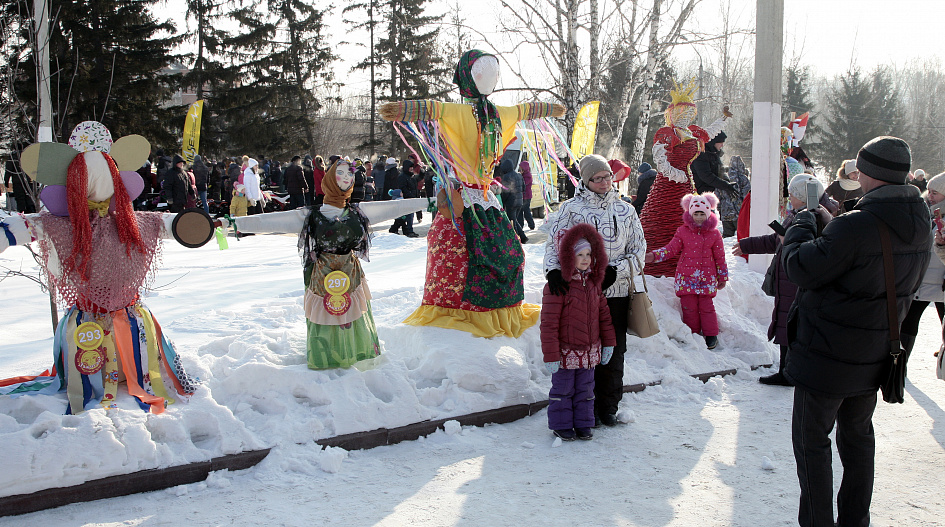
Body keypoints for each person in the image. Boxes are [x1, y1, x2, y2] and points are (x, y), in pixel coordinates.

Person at [781, 136, 931, 527]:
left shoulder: (858, 225)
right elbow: (871, 266)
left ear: (871, 174)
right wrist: (835, 232)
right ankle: (855, 521)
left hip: (828, 356)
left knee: (812, 444)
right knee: (859, 440)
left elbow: (800, 267)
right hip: (877, 351)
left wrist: (801, 223)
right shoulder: (919, 218)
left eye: (861, 169)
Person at [0, 122, 198, 413]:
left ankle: (137, 376)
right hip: (87, 318)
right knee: (88, 358)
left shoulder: (134, 222)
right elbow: (27, 226)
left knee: (140, 357)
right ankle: (92, 383)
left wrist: (195, 226)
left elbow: (166, 224)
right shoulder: (59, 225)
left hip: (130, 314)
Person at [378, 49, 564, 339]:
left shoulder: (496, 113)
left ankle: (492, 308)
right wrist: (398, 109)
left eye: (494, 74)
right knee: (467, 253)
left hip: (485, 199)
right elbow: (430, 108)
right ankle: (461, 311)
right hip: (466, 197)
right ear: (468, 78)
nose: (490, 79)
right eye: (482, 73)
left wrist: (551, 109)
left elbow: (528, 110)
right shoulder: (461, 112)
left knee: (506, 252)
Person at [544, 154, 646, 427]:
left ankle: (608, 406)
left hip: (616, 294)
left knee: (614, 351)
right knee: (583, 352)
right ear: (586, 180)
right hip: (581, 295)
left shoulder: (627, 211)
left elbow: (639, 250)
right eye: (596, 178)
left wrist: (617, 271)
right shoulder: (571, 210)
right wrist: (553, 271)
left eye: (606, 177)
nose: (603, 182)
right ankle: (584, 410)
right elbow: (555, 246)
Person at [734, 174, 831, 385]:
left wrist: (789, 240)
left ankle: (789, 373)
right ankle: (788, 370)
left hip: (796, 281)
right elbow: (776, 241)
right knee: (789, 325)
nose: (789, 198)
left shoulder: (815, 216)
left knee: (791, 326)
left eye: (792, 194)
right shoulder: (802, 213)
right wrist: (748, 245)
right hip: (790, 280)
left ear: (802, 197)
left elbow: (810, 246)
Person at [639, 80, 730, 277]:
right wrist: (675, 174)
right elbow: (660, 158)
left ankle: (694, 261)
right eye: (683, 113)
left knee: (689, 219)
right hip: (669, 184)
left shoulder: (693, 132)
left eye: (690, 113)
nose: (686, 117)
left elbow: (710, 133)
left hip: (687, 185)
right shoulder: (667, 133)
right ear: (673, 114)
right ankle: (660, 265)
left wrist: (723, 118)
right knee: (664, 221)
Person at [541, 223, 616, 441]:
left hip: (589, 351)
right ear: (567, 257)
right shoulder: (558, 286)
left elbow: (604, 317)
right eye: (579, 254)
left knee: (585, 390)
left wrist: (609, 343)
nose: (585, 259)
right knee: (563, 390)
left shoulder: (594, 283)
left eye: (589, 254)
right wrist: (551, 355)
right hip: (565, 351)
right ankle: (561, 424)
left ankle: (583, 423)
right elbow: (549, 323)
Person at [644, 193, 728, 349]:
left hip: (706, 278)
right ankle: (693, 333)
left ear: (708, 213)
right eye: (696, 213)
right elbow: (671, 249)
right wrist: (653, 256)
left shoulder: (714, 234)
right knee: (689, 307)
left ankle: (711, 335)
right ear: (690, 213)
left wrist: (722, 276)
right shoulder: (683, 231)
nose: (698, 217)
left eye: (702, 213)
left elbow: (720, 257)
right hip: (686, 278)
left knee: (706, 307)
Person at [898, 172, 945, 357]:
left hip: (941, 282)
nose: (930, 196)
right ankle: (899, 362)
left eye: (936, 193)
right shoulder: (926, 213)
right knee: (909, 321)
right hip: (924, 279)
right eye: (930, 192)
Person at [691, 131, 737, 196]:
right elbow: (706, 176)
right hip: (700, 194)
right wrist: (725, 186)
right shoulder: (701, 155)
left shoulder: (714, 154)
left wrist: (727, 182)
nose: (722, 145)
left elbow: (721, 171)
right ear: (713, 142)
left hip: (712, 192)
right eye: (721, 142)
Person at [717, 155, 751, 237]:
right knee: (742, 236)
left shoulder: (723, 178)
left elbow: (717, 195)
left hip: (725, 213)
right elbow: (747, 196)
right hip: (739, 212)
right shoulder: (743, 178)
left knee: (727, 235)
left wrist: (720, 209)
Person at [499, 155, 527, 243]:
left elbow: (506, 192)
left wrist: (502, 202)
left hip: (511, 203)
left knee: (512, 221)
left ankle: (517, 239)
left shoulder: (507, 177)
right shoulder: (519, 175)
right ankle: (523, 237)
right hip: (520, 201)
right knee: (514, 219)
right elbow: (524, 188)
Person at [389, 159, 420, 237]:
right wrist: (409, 194)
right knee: (406, 216)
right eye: (410, 167)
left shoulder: (412, 176)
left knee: (408, 215)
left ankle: (405, 229)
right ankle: (407, 230)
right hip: (405, 198)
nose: (411, 169)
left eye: (412, 167)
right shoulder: (402, 176)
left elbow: (415, 187)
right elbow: (403, 187)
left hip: (412, 198)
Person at [518, 158, 536, 230]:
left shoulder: (527, 176)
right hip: (522, 196)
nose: (520, 170)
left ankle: (531, 225)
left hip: (527, 196)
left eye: (521, 168)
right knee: (520, 211)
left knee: (526, 211)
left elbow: (524, 184)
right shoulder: (523, 175)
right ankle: (521, 225)